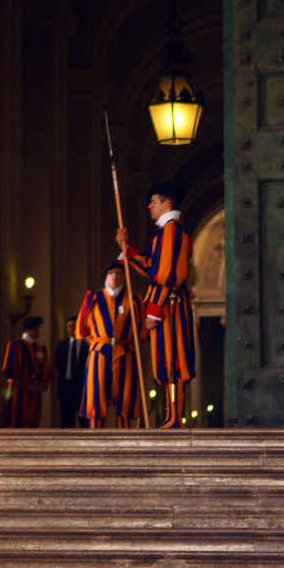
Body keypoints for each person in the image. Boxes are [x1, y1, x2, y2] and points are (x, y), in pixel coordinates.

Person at [117, 181, 195, 428]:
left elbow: (168, 275)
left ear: (166, 203)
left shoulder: (173, 232)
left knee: (174, 361)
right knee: (165, 361)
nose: (149, 206)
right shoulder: (164, 234)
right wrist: (125, 248)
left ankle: (175, 417)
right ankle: (171, 415)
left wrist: (154, 310)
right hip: (163, 304)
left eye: (153, 201)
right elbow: (149, 266)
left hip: (168, 306)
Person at [75, 260, 148, 429]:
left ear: (123, 277)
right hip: (99, 352)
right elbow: (82, 328)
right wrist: (95, 345)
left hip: (124, 352)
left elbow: (141, 329)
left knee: (126, 396)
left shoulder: (134, 299)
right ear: (106, 277)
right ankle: (96, 437)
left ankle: (126, 437)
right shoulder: (93, 297)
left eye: (119, 273)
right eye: (111, 273)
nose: (115, 276)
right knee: (96, 394)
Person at [1, 316, 51, 428]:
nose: (37, 331)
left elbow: (45, 369)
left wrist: (42, 385)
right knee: (16, 420)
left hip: (36, 390)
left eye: (38, 329)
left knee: (33, 420)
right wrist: (28, 385)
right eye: (35, 329)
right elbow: (11, 368)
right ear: (26, 330)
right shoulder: (15, 345)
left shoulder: (40, 348)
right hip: (19, 389)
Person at [54, 316, 88, 428]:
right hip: (66, 387)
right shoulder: (61, 346)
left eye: (74, 325)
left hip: (82, 387)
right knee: (66, 420)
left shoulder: (87, 345)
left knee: (84, 421)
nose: (72, 328)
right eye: (69, 326)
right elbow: (58, 365)